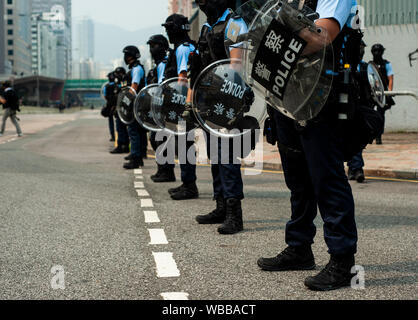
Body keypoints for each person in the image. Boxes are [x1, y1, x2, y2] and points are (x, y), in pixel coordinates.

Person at [257, 0, 361, 291]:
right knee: (298, 178)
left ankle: (343, 261)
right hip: (288, 94)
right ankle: (299, 247)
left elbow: (322, 36)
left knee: (326, 178)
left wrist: (277, 42)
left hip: (320, 96)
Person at [189, 0, 248, 234]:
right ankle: (220, 205)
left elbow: (236, 63)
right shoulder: (207, 27)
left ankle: (235, 213)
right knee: (215, 154)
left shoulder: (234, 23)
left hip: (228, 99)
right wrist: (191, 103)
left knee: (227, 156)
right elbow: (198, 67)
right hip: (208, 101)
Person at [158, 14, 200, 201]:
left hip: (183, 104)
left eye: (169, 28)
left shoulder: (182, 49)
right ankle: (187, 183)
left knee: (185, 144)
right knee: (184, 144)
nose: (167, 32)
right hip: (186, 103)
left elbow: (183, 80)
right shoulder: (184, 47)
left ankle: (190, 185)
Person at [145, 34, 173, 182]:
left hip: (162, 110)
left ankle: (167, 171)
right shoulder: (157, 65)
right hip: (156, 109)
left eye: (154, 45)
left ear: (163, 47)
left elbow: (162, 87)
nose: (152, 49)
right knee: (156, 139)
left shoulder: (163, 64)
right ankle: (162, 169)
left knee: (161, 140)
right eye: (150, 46)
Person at [121, 46, 147, 170]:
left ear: (130, 56)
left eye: (126, 55)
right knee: (138, 131)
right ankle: (138, 156)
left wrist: (127, 102)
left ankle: (136, 158)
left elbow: (134, 87)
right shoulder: (136, 68)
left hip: (136, 103)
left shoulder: (136, 69)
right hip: (139, 103)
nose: (125, 58)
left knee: (133, 131)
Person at [347, 40, 369, 183]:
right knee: (352, 137)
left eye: (362, 48)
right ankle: (357, 168)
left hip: (362, 106)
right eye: (359, 48)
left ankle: (353, 168)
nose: (361, 51)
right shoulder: (346, 65)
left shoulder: (365, 67)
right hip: (348, 106)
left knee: (357, 139)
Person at [370, 43, 395, 145]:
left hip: (383, 94)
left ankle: (379, 136)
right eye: (375, 51)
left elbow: (390, 78)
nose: (377, 53)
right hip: (372, 93)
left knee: (380, 115)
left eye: (379, 51)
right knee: (370, 113)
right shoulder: (370, 65)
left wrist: (389, 92)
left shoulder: (386, 64)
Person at [110, 67, 130, 154]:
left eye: (118, 74)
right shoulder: (117, 83)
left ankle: (121, 146)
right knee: (120, 128)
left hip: (123, 107)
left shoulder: (124, 83)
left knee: (121, 128)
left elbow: (123, 94)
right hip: (118, 107)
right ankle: (123, 146)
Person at [103, 72, 117, 142]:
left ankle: (113, 136)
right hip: (117, 105)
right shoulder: (118, 85)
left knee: (111, 121)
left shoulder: (106, 86)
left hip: (109, 105)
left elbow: (105, 96)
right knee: (118, 121)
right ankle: (119, 136)